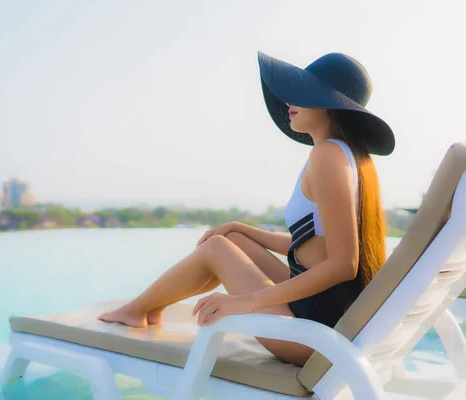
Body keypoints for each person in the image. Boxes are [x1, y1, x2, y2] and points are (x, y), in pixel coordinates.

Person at [98, 51, 395, 366]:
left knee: (216, 249)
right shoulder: (347, 156)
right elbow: (313, 247)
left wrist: (246, 302)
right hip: (318, 318)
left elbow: (343, 265)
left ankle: (135, 311)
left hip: (312, 335)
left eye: (302, 93)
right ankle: (150, 306)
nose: (288, 101)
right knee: (233, 241)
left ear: (328, 104)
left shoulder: (327, 157)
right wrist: (244, 229)